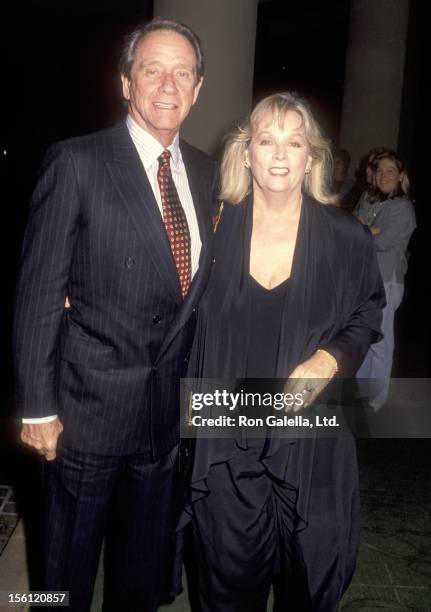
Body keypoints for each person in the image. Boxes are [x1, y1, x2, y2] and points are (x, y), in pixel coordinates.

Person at [13, 17, 217, 612]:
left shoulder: (207, 175)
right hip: (82, 415)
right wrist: (37, 407)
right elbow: (38, 294)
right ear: (126, 82)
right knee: (60, 569)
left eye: (183, 72)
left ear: (199, 88)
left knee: (141, 575)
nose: (168, 85)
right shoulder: (75, 162)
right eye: (152, 69)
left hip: (163, 421)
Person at [181, 92, 385, 611]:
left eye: (294, 142)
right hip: (223, 434)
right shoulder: (213, 229)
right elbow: (163, 288)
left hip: (311, 435)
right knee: (225, 585)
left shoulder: (346, 237)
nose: (279, 153)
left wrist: (331, 358)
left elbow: (367, 312)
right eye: (266, 140)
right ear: (245, 152)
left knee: (311, 580)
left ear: (311, 157)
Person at [355, 150, 416, 410]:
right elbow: (351, 230)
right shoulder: (367, 200)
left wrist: (364, 228)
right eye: (380, 170)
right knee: (363, 336)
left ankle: (376, 398)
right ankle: (360, 389)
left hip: (387, 281)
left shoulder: (403, 208)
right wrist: (368, 229)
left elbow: (382, 241)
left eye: (390, 171)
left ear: (401, 175)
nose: (384, 175)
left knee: (380, 341)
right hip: (362, 279)